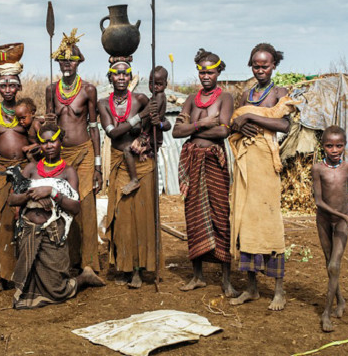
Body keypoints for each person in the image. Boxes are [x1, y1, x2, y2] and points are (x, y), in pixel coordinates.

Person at [9, 124, 105, 309]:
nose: (49, 145)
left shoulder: (68, 172)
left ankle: (83, 278)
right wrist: (31, 194)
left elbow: (75, 207)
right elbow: (12, 199)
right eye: (44, 142)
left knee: (56, 290)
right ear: (40, 145)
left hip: (53, 234)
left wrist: (52, 192)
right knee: (24, 286)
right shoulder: (30, 169)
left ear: (61, 141)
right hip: (29, 231)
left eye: (53, 140)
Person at [229, 43, 291, 310]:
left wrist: (250, 117)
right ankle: (252, 288)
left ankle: (279, 291)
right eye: (256, 65)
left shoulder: (279, 93)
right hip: (245, 164)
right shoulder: (245, 94)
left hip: (266, 165)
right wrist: (238, 123)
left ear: (274, 65)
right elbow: (233, 124)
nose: (260, 69)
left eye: (265, 65)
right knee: (245, 222)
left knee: (269, 223)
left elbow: (283, 124)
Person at [172, 49, 238, 297]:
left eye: (210, 71)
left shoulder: (226, 98)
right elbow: (176, 132)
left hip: (213, 163)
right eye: (201, 71)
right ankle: (197, 276)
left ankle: (226, 280)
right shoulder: (191, 99)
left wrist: (192, 130)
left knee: (220, 216)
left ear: (219, 71)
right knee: (194, 217)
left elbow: (223, 132)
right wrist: (202, 125)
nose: (205, 76)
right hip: (193, 162)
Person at [98, 60, 160, 289]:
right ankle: (124, 265)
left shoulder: (142, 99)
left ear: (131, 77)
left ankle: (140, 269)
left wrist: (143, 138)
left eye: (126, 74)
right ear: (110, 77)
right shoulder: (103, 104)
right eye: (117, 74)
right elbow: (113, 132)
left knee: (142, 218)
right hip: (119, 162)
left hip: (142, 164)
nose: (121, 77)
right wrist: (138, 117)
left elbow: (153, 125)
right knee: (122, 216)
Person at [45, 29, 103, 274]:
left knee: (86, 204)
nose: (67, 63)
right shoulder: (51, 90)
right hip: (61, 156)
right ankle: (67, 261)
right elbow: (49, 129)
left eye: (71, 59)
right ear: (57, 63)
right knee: (63, 205)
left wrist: (98, 165)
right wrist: (47, 121)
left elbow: (94, 127)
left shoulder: (88, 90)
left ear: (79, 62)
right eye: (62, 59)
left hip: (85, 153)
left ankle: (89, 263)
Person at [0, 63, 30, 291]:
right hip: (3, 172)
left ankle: (26, 272)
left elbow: (36, 141)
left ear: (19, 86)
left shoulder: (25, 113)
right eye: (4, 85)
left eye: (13, 84)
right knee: (2, 222)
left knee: (25, 220)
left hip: (25, 172)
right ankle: (2, 274)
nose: (8, 88)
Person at [311, 125, 348, 332]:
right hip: (324, 220)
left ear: (344, 146)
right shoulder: (318, 169)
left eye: (338, 146)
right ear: (323, 146)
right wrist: (344, 215)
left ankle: (326, 313)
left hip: (342, 223)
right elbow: (319, 201)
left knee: (334, 265)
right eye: (329, 146)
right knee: (329, 263)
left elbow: (347, 191)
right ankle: (340, 300)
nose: (334, 150)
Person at [121, 66, 171, 195]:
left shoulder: (159, 97)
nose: (155, 87)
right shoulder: (156, 97)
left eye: (159, 84)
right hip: (151, 134)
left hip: (151, 135)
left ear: (166, 84)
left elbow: (151, 118)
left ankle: (134, 179)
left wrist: (143, 135)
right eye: (151, 83)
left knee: (127, 150)